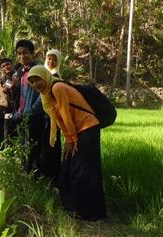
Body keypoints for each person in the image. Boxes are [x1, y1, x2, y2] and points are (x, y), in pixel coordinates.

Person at [27, 65, 106, 221]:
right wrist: (69, 138)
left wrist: (71, 139)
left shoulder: (57, 88)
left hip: (87, 128)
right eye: (32, 82)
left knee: (84, 169)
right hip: (79, 130)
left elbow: (65, 114)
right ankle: (75, 207)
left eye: (38, 80)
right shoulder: (47, 94)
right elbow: (58, 119)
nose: (36, 85)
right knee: (71, 166)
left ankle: (91, 213)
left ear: (46, 77)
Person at [12, 40, 61, 181]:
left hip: (36, 117)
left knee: (36, 149)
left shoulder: (39, 70)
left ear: (33, 53)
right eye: (19, 54)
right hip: (22, 116)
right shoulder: (20, 72)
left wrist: (31, 111)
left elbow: (43, 95)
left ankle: (38, 178)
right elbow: (20, 95)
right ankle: (26, 174)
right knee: (24, 146)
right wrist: (18, 113)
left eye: (25, 53)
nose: (22, 56)